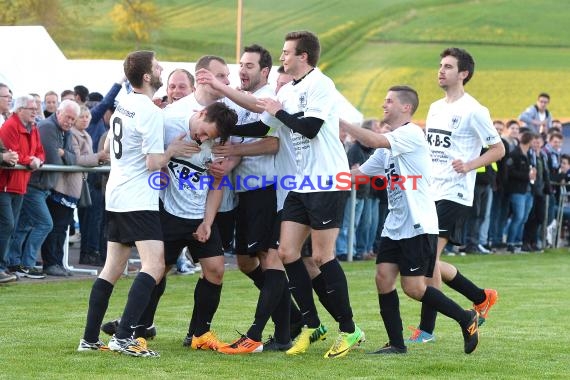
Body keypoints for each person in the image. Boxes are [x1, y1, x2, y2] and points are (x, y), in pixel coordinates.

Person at [343, 85, 480, 354]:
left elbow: (372, 141)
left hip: (419, 225)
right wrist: (318, 177)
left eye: (389, 101)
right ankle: (396, 343)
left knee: (415, 288)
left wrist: (340, 121)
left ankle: (466, 318)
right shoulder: (390, 143)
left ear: (405, 108)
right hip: (395, 225)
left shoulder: (411, 134)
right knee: (383, 278)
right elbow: (358, 174)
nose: (384, 105)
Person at [77, 50, 197, 357]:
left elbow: (109, 145)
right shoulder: (148, 110)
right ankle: (124, 337)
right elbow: (154, 162)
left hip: (116, 195)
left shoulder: (124, 104)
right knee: (155, 265)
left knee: (112, 269)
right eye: (157, 67)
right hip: (137, 198)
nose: (161, 70)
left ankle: (89, 339)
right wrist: (173, 149)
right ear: (147, 76)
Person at [253, 30, 364, 358]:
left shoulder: (321, 84)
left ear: (303, 56)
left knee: (321, 256)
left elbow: (310, 128)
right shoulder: (287, 92)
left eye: (287, 52)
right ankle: (313, 324)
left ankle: (349, 329)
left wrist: (277, 112)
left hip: (328, 181)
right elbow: (263, 128)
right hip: (300, 185)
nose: (282, 57)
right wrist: (220, 132)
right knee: (287, 253)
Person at [409, 47, 504, 342]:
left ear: (463, 74)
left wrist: (470, 164)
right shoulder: (436, 107)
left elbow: (498, 149)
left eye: (448, 66)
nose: (441, 70)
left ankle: (426, 331)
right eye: (440, 65)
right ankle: (480, 296)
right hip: (430, 190)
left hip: (455, 194)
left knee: (427, 261)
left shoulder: (474, 110)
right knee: (431, 263)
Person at [0, 95, 44, 281]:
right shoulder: (10, 126)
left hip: (20, 184)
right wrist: (31, 160)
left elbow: (40, 151)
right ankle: (2, 266)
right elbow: (12, 154)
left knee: (12, 226)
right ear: (20, 110)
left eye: (36, 108)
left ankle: (5, 266)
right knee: (7, 225)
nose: (35, 111)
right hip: (6, 184)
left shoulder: (33, 128)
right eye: (31, 108)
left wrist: (38, 160)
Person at [504, 131, 536, 253]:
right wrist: (527, 176)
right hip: (517, 190)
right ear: (530, 141)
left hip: (527, 191)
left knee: (523, 218)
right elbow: (510, 172)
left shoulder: (528, 154)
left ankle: (518, 242)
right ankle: (511, 243)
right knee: (518, 217)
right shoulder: (515, 154)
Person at [522, 133, 550, 252]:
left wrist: (547, 188)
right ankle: (526, 242)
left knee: (540, 217)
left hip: (541, 191)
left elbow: (545, 173)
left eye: (539, 141)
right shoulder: (529, 154)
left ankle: (533, 241)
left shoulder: (543, 156)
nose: (537, 143)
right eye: (535, 141)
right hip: (531, 190)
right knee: (530, 217)